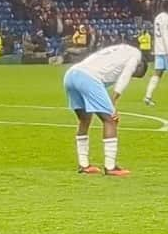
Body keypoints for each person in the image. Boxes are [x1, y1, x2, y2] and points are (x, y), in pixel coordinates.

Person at [63, 43, 148, 176]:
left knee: (84, 120)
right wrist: (113, 103)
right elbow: (124, 78)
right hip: (88, 77)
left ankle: (84, 165)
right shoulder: (135, 56)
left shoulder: (119, 51)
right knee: (110, 120)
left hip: (71, 74)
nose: (132, 76)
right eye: (135, 74)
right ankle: (110, 167)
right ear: (140, 65)